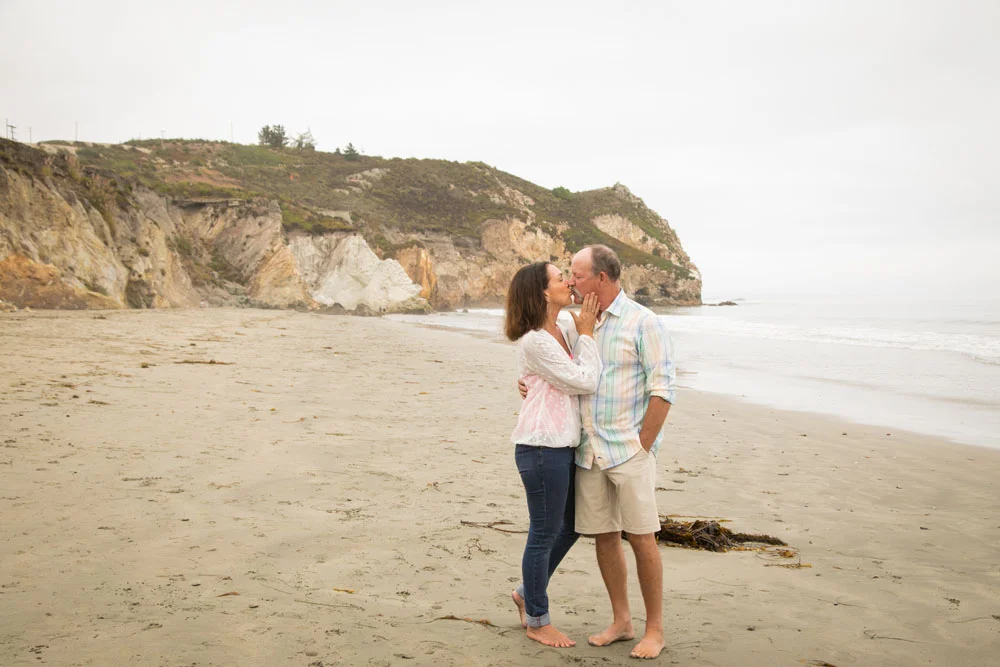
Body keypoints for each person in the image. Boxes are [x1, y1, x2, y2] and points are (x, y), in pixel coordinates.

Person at [520, 245, 675, 659]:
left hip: (628, 451)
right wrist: (526, 383)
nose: (571, 282)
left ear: (601, 279)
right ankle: (622, 621)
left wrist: (643, 445)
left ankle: (654, 629)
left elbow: (663, 390)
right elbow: (547, 360)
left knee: (642, 539)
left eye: (577, 275)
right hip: (586, 452)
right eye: (566, 276)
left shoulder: (645, 323)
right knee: (605, 538)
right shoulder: (576, 323)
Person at [504, 261, 601, 648]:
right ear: (544, 292)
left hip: (559, 445)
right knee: (543, 534)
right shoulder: (536, 339)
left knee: (571, 524)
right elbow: (585, 380)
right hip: (541, 447)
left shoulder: (560, 328)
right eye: (561, 278)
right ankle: (537, 619)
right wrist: (589, 334)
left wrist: (582, 329)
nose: (568, 282)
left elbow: (554, 379)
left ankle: (527, 593)